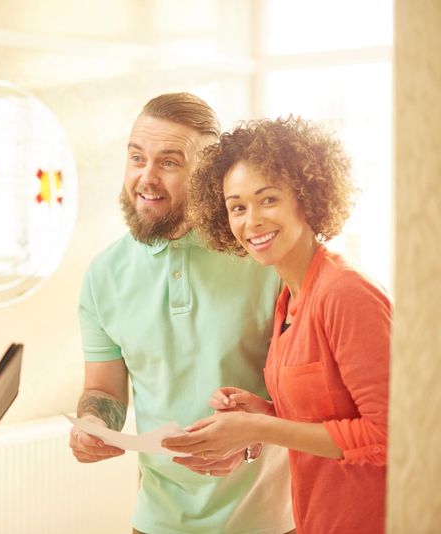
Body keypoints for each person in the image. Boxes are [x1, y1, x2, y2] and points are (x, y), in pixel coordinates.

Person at [69, 93, 295, 534]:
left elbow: (316, 401)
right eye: (137, 157)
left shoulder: (264, 257)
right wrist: (94, 423)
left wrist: (251, 438)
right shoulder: (103, 274)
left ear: (207, 174)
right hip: (155, 522)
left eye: (169, 162)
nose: (146, 178)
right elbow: (103, 388)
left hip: (268, 521)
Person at [166, 116, 390, 533]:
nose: (252, 221)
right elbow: (326, 414)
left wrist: (257, 426)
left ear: (305, 198)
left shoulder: (345, 293)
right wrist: (263, 412)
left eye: (268, 199)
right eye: (237, 207)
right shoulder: (289, 297)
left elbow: (388, 433)